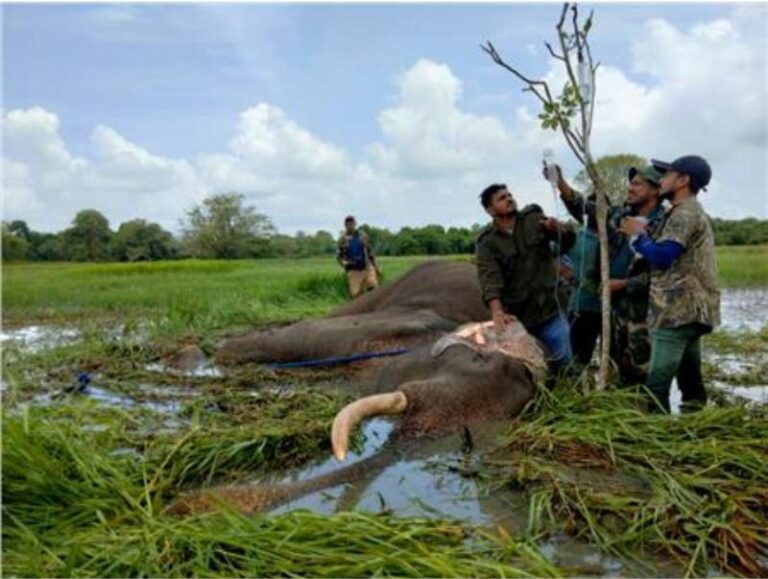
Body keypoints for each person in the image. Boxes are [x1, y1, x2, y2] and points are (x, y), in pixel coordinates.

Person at [546, 163, 665, 383]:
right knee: (613, 366)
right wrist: (560, 182)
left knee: (641, 371)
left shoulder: (666, 224)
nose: (630, 188)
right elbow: (587, 209)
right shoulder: (622, 216)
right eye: (631, 183)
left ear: (656, 190)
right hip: (614, 310)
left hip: (644, 312)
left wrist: (625, 284)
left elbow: (667, 274)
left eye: (637, 184)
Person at [620, 155, 720, 413]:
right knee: (690, 380)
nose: (661, 180)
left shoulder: (684, 213)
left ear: (683, 180)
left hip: (677, 311)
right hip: (691, 310)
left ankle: (658, 434)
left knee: (657, 385)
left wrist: (638, 236)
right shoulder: (684, 211)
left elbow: (663, 257)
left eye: (667, 175)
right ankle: (694, 425)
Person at [474, 183, 576, 385]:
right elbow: (489, 277)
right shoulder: (486, 241)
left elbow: (567, 242)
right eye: (502, 198)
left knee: (564, 362)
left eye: (509, 195)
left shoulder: (533, 218)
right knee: (525, 371)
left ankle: (572, 394)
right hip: (518, 319)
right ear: (490, 210)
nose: (509, 199)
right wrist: (497, 312)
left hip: (550, 311)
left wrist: (559, 230)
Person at [337, 216, 379, 299]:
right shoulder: (343, 239)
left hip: (366, 266)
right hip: (353, 269)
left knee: (373, 286)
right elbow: (339, 256)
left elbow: (370, 251)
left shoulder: (362, 235)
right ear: (345, 225)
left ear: (355, 224)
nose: (350, 226)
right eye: (348, 225)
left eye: (352, 224)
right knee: (356, 294)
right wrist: (345, 264)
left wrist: (375, 266)